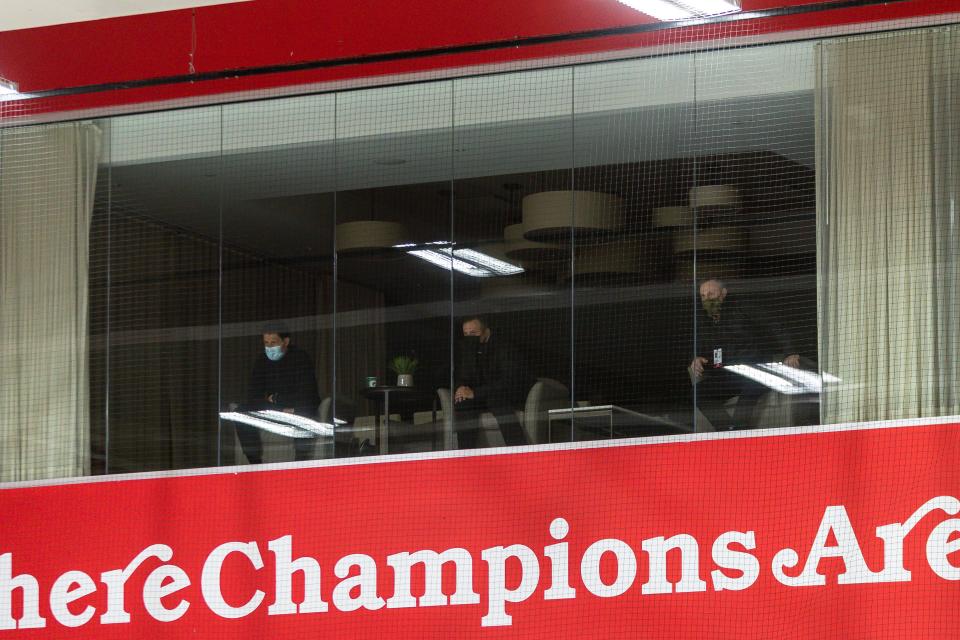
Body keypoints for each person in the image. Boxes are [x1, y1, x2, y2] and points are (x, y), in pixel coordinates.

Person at [687, 278, 800, 430]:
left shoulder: (743, 308)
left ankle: (737, 431)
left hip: (756, 369)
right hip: (728, 374)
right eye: (703, 296)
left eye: (711, 293)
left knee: (749, 391)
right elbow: (701, 347)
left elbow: (775, 327)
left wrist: (791, 352)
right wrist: (697, 358)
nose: (707, 298)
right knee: (697, 393)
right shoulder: (704, 321)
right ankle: (730, 430)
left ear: (723, 294)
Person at [237, 325, 320, 463]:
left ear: (285, 342)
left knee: (305, 409)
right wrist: (280, 409)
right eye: (266, 343)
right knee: (241, 411)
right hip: (275, 411)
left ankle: (301, 462)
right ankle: (255, 463)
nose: (269, 347)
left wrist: (275, 398)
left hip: (297, 409)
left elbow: (307, 393)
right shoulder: (261, 360)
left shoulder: (300, 357)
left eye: (273, 342)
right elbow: (253, 396)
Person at [453, 315, 530, 448]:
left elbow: (508, 381)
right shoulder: (468, 348)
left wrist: (475, 393)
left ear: (486, 332)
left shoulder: (503, 347)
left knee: (496, 400)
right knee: (463, 404)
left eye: (473, 333)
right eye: (466, 334)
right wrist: (460, 387)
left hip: (505, 393)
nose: (470, 337)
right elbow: (462, 375)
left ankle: (519, 451)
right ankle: (465, 456)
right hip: (481, 394)